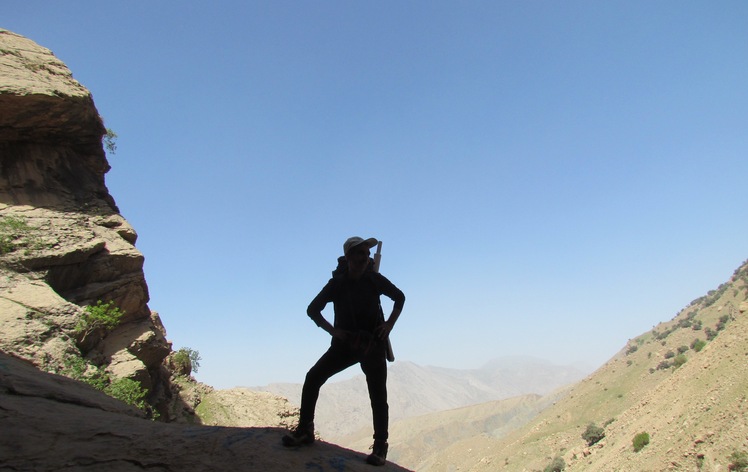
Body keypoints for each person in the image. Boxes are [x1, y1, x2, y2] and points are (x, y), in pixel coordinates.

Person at [282, 236, 405, 467]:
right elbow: (313, 310)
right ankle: (305, 430)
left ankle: (380, 446)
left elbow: (400, 297)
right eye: (359, 253)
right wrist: (334, 332)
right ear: (348, 256)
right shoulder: (337, 284)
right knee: (313, 377)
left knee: (378, 396)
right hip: (345, 345)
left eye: (366, 255)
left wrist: (388, 325)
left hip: (372, 345)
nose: (364, 258)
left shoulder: (373, 280)